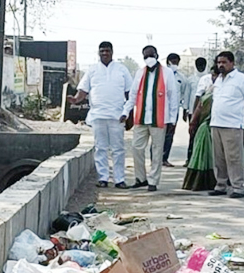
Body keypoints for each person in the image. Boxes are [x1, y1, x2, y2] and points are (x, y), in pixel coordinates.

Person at [68, 41, 133, 189]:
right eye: (102, 51)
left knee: (118, 149)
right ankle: (103, 178)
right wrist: (76, 100)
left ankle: (119, 179)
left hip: (117, 116)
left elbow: (130, 93)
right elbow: (83, 90)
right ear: (98, 53)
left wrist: (129, 112)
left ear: (112, 52)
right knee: (100, 148)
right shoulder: (92, 70)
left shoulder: (121, 70)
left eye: (107, 51)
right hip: (98, 115)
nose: (105, 53)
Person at [196, 51, 244, 199]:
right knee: (219, 157)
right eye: (219, 63)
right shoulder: (218, 80)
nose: (221, 65)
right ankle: (221, 185)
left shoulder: (242, 79)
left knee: (234, 158)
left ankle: (237, 187)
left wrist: (241, 112)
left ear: (232, 63)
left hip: (233, 124)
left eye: (224, 62)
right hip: (216, 123)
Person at [121, 45, 179, 192]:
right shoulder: (140, 73)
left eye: (151, 55)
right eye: (146, 56)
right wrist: (126, 111)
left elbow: (173, 97)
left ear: (157, 55)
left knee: (157, 150)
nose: (149, 59)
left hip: (159, 118)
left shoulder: (167, 73)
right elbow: (133, 95)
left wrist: (173, 119)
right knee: (136, 147)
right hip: (141, 117)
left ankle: (153, 181)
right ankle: (141, 178)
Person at [182, 66, 219, 191]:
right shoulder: (210, 89)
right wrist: (193, 121)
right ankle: (198, 182)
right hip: (204, 125)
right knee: (200, 152)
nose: (214, 78)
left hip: (218, 125)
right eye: (213, 75)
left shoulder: (224, 90)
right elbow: (199, 104)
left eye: (216, 75)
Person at [161, 53, 188, 168]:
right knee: (158, 134)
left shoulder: (181, 78)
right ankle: (156, 158)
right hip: (160, 110)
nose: (174, 63)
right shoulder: (161, 75)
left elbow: (182, 94)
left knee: (169, 135)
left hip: (174, 111)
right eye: (172, 61)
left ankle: (165, 158)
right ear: (167, 62)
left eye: (176, 61)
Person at [183, 57, 209, 166]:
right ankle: (190, 159)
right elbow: (187, 94)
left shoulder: (210, 78)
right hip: (193, 111)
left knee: (205, 136)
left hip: (206, 111)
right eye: (199, 66)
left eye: (202, 66)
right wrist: (185, 109)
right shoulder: (191, 79)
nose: (201, 68)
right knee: (193, 135)